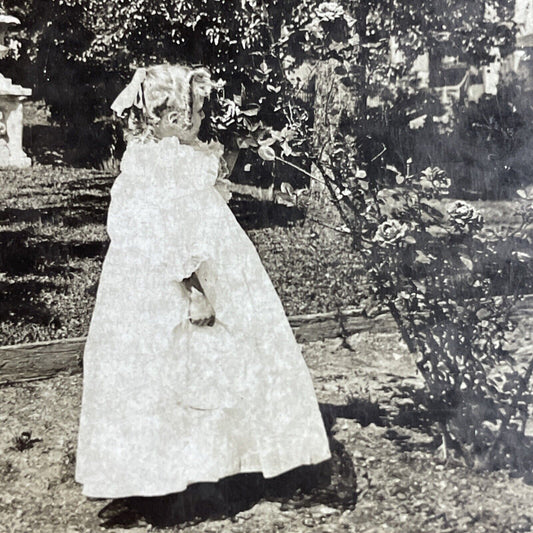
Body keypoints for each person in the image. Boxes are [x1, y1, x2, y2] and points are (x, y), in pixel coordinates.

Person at [75, 63, 331, 523]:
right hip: (181, 274)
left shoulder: (157, 153)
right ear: (172, 116)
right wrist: (194, 290)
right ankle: (181, 474)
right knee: (191, 364)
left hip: (155, 273)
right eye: (195, 111)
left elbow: (196, 198)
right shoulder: (168, 162)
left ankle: (196, 468)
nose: (200, 119)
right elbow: (173, 233)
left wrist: (239, 143)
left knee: (182, 369)